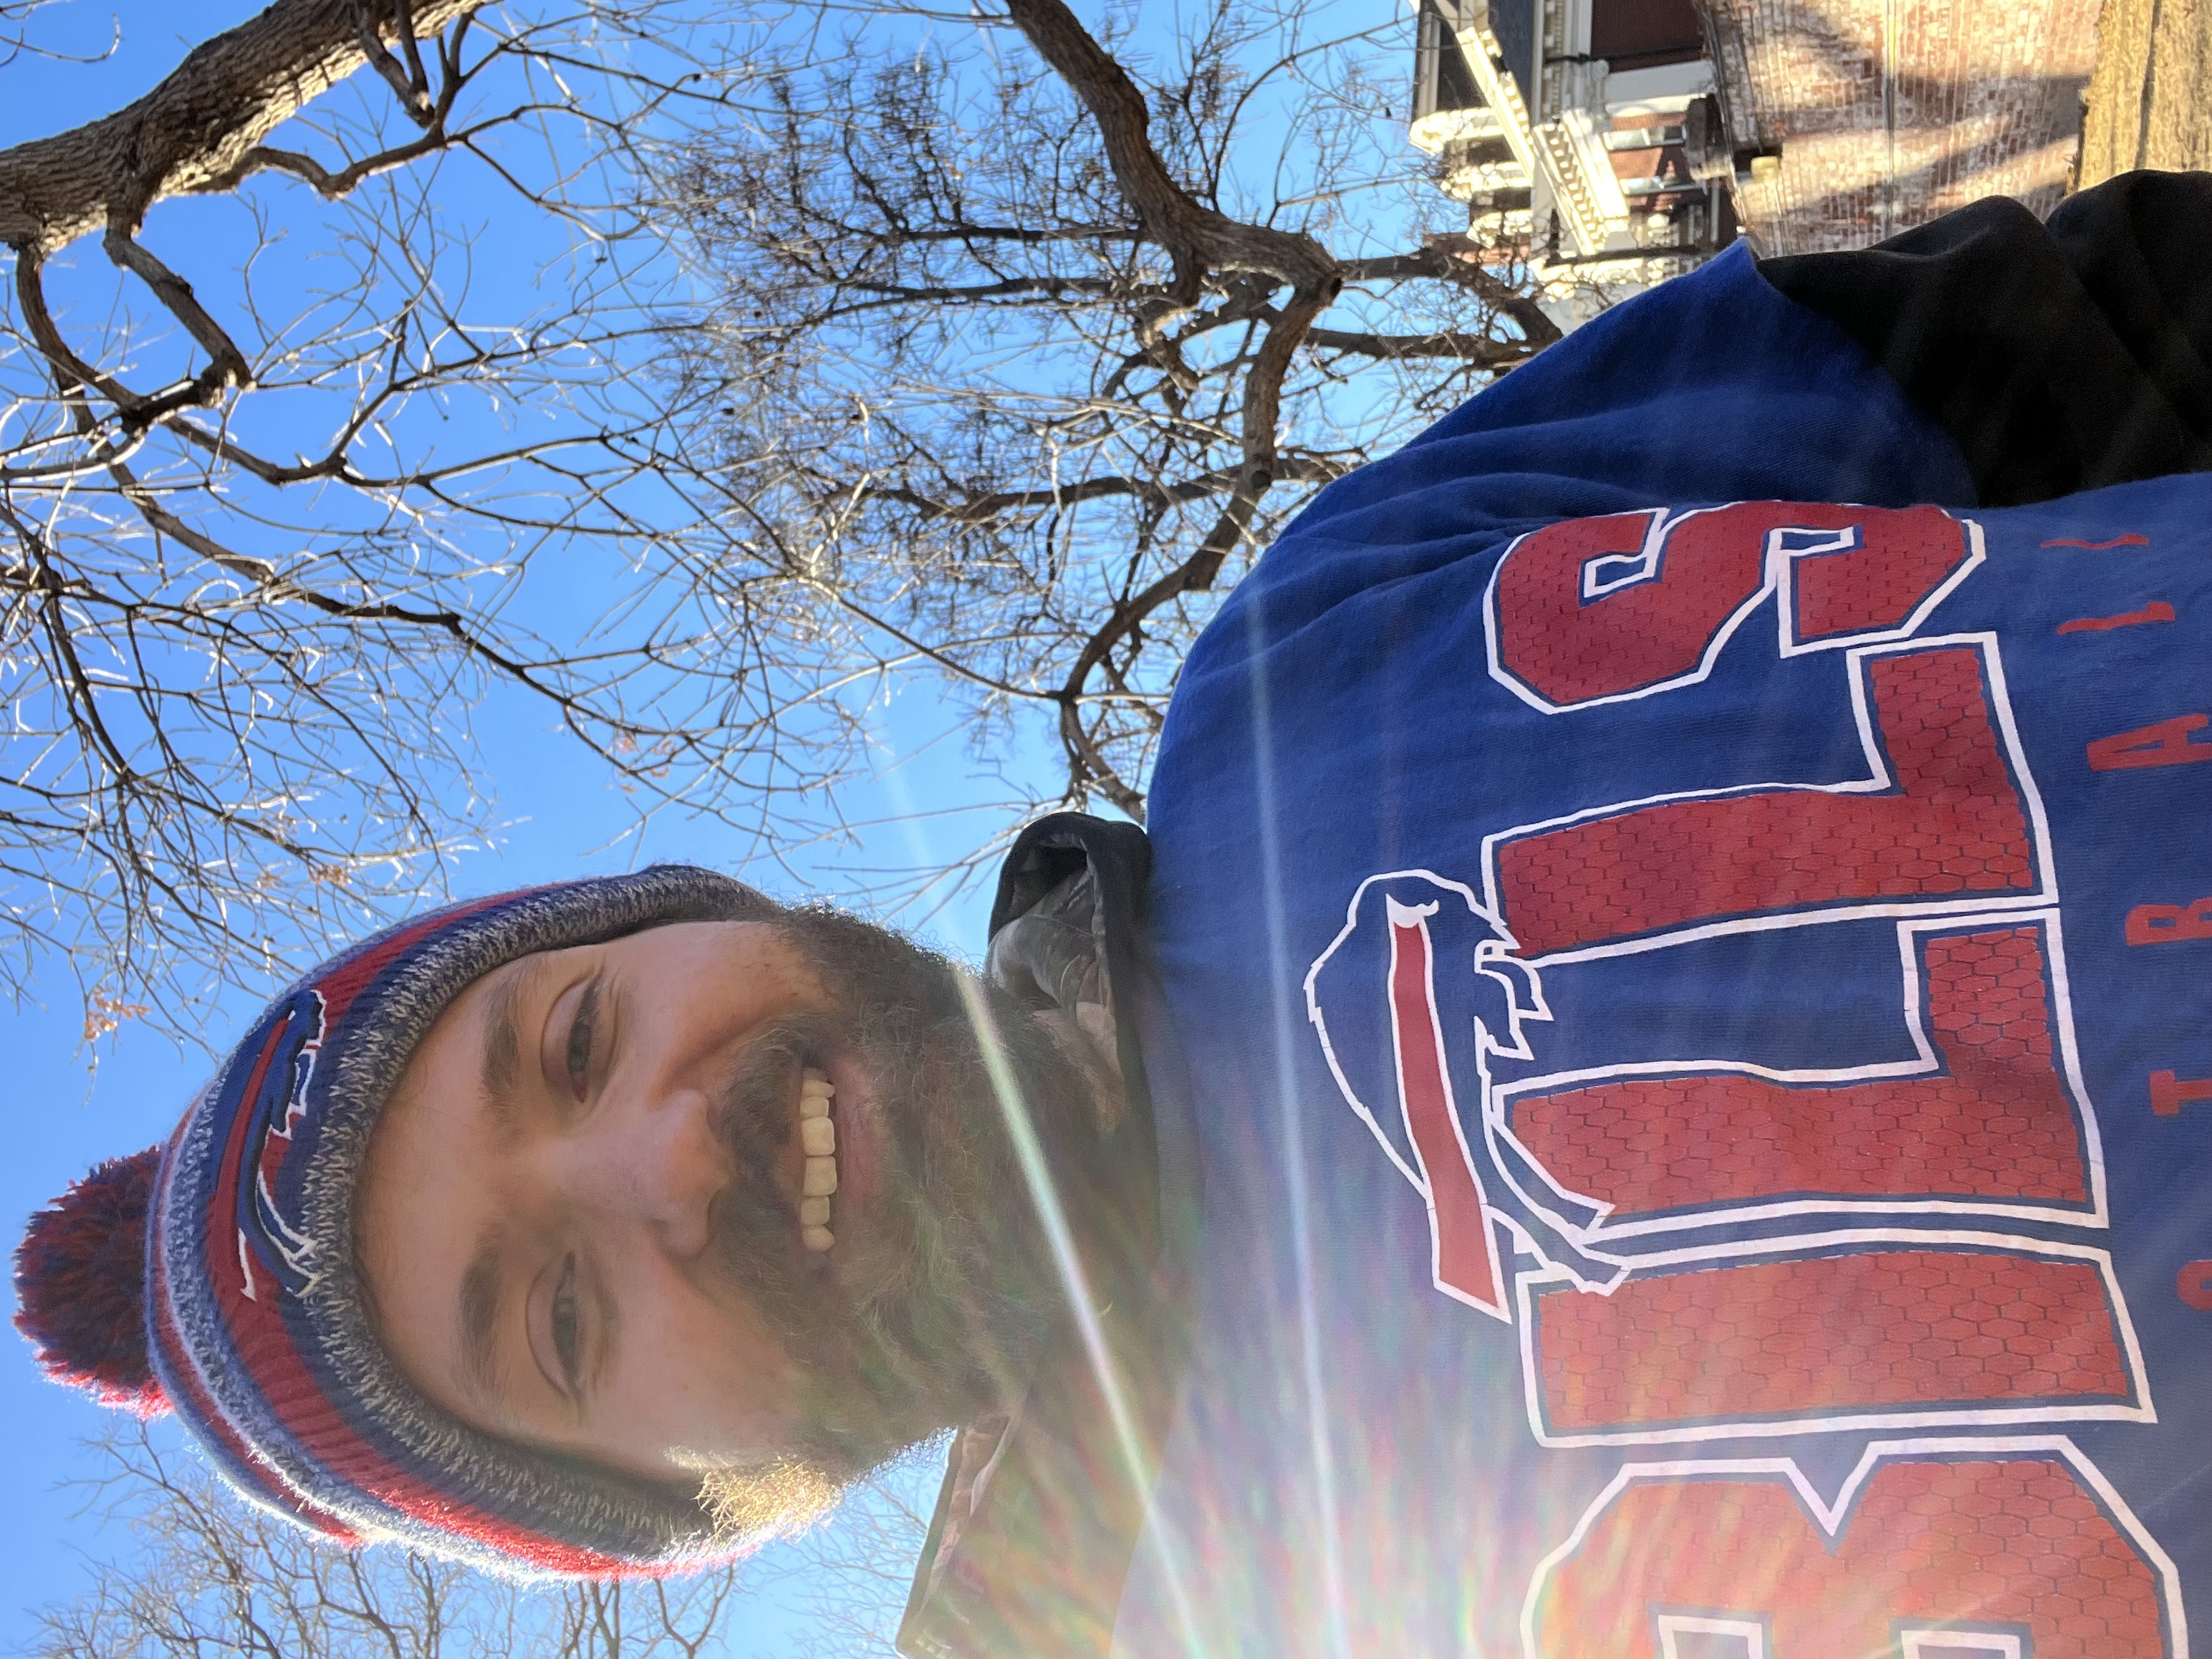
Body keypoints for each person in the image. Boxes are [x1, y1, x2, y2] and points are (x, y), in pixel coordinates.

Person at [18, 168, 2212, 1657]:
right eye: (562, 1319)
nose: (668, 1156)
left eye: (572, 1039)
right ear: (690, 1514)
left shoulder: (1321, 644)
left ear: (684, 915)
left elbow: (2063, 341)